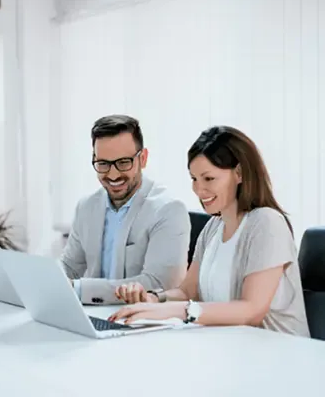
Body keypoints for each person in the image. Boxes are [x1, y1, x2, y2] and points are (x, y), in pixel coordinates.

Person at [109, 126, 310, 338]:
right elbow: (187, 291)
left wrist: (182, 311)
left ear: (239, 173)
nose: (198, 189)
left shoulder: (267, 223)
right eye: (194, 179)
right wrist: (153, 299)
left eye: (209, 179)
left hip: (281, 354)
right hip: (233, 349)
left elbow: (252, 311)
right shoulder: (213, 227)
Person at [61, 114, 191, 305]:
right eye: (103, 164)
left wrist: (79, 289)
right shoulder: (86, 207)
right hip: (92, 315)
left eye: (123, 163)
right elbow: (70, 267)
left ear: (143, 158)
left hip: (143, 323)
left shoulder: (169, 210)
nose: (113, 175)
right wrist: (49, 280)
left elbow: (160, 284)